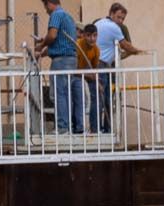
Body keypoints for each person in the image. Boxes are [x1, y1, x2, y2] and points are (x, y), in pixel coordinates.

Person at [34, 0, 82, 135]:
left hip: (61, 61)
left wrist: (41, 45)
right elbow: (59, 42)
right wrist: (42, 52)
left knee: (58, 93)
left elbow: (53, 35)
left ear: (49, 3)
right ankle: (68, 126)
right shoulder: (68, 17)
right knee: (66, 94)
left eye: (45, 6)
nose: (46, 10)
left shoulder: (56, 15)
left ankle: (62, 127)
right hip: (71, 60)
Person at [93, 3, 142, 134]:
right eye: (119, 17)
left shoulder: (99, 23)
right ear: (111, 13)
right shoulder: (113, 27)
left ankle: (100, 128)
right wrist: (137, 51)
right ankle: (101, 129)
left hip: (102, 65)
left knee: (103, 98)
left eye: (123, 19)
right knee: (102, 99)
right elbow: (126, 45)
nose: (120, 21)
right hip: (102, 65)